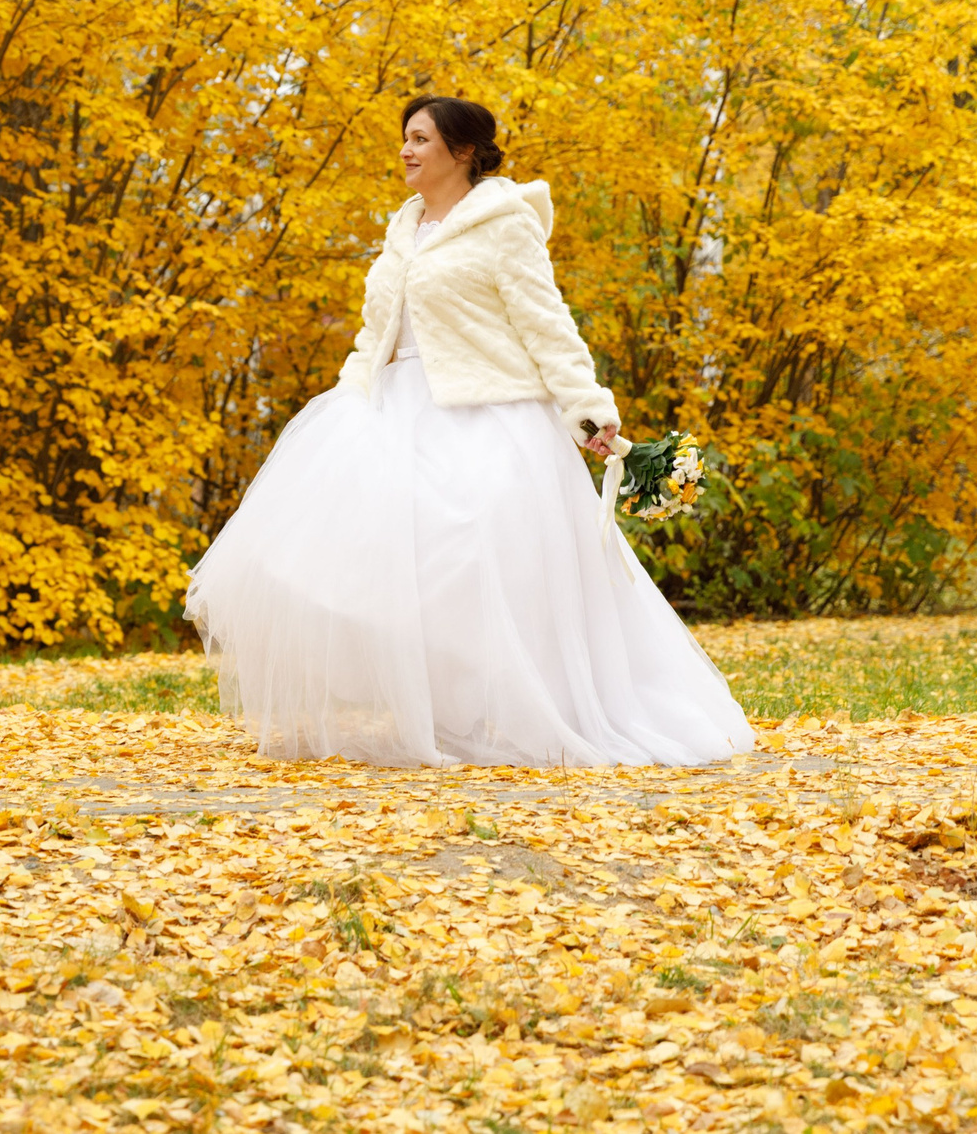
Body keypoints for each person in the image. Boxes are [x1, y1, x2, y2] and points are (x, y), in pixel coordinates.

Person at [185, 94, 754, 769]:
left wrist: (588, 409)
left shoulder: (504, 223)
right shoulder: (404, 227)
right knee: (358, 556)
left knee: (473, 558)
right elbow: (379, 328)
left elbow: (546, 323)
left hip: (490, 413)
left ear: (462, 151)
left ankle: (519, 709)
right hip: (394, 406)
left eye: (421, 138)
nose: (406, 149)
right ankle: (447, 709)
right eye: (405, 137)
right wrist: (345, 400)